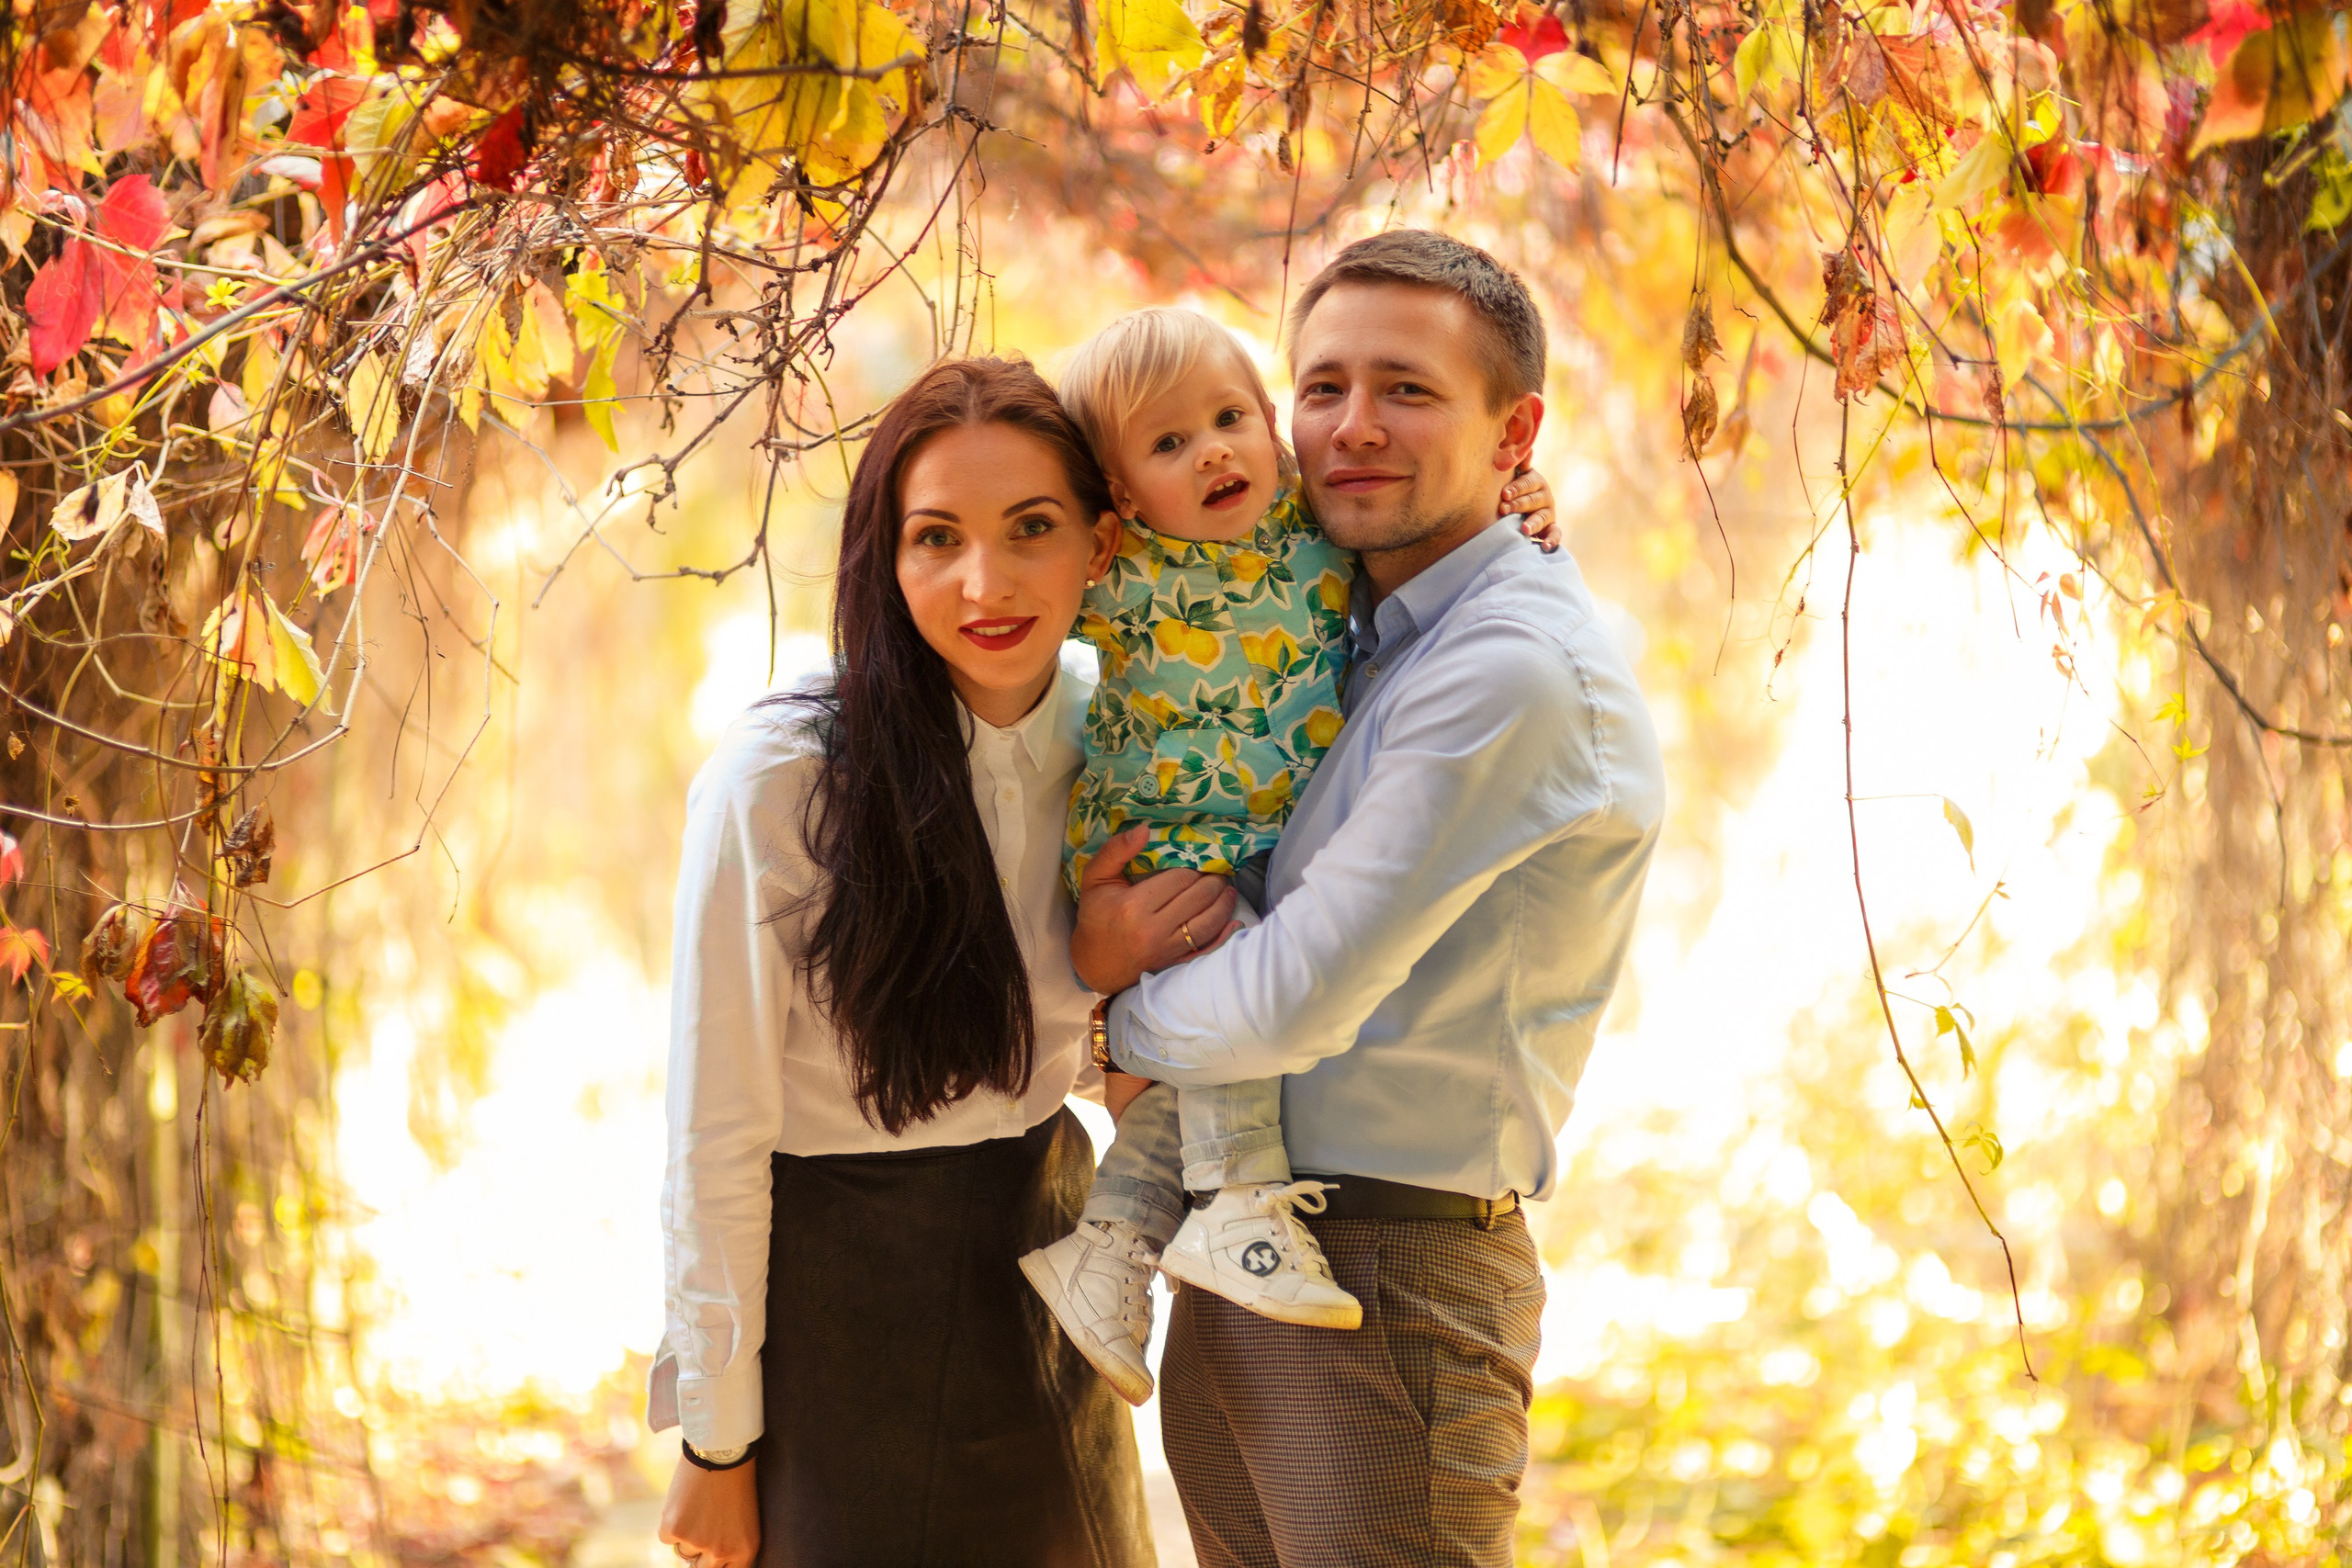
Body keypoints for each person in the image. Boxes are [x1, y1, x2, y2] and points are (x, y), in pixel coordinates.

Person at [1073, 231, 1667, 1567]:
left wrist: (1104, 1020)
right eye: (1322, 386)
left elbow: (1292, 995)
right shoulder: (1364, 621)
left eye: (1406, 388)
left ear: (1513, 429)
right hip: (1247, 1250)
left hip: (1387, 1279)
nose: (1351, 427)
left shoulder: (1508, 668)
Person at [650, 357, 1186, 1568]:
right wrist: (717, 1438)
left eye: (1031, 529)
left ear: (1102, 544)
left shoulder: (1133, 739)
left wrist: (1507, 523)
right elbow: (714, 1128)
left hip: (1048, 1283)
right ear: (883, 561)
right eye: (935, 537)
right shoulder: (786, 779)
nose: (982, 584)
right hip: (840, 1319)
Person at [1019, 307, 1557, 1404]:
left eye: (1230, 419)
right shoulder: (1123, 576)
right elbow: (1006, 587)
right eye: (1168, 446)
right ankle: (1241, 1209)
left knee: (1193, 1063)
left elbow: (1435, 521)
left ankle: (1111, 1250)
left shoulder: (1316, 532)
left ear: (1268, 427)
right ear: (1121, 496)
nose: (1213, 451)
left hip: (1258, 848)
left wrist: (1527, 502)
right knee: (1239, 1006)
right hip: (1167, 849)